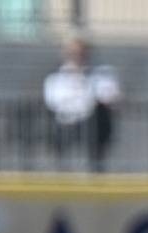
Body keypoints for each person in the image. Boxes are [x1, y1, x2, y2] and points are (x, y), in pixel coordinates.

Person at [43, 35, 122, 172]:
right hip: (67, 122)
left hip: (94, 122)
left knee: (97, 121)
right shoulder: (55, 76)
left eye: (81, 53)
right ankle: (62, 170)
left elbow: (111, 96)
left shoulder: (102, 72)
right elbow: (54, 101)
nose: (77, 57)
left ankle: (94, 167)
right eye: (72, 53)